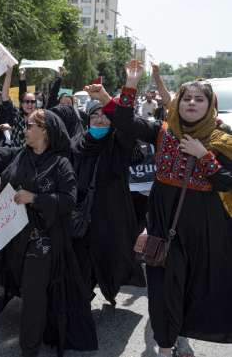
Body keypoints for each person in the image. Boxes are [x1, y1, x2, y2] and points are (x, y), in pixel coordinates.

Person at [91, 59, 232, 357]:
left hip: (205, 230)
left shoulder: (222, 139)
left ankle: (181, 334)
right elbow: (126, 122)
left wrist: (204, 155)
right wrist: (130, 83)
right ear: (178, 103)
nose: (192, 103)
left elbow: (227, 182)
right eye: (187, 98)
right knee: (162, 288)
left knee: (194, 289)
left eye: (199, 99)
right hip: (164, 224)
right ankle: (165, 345)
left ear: (210, 105)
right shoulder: (164, 132)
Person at [0, 109, 98, 357]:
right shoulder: (19, 155)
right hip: (13, 237)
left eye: (29, 126)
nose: (24, 129)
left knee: (34, 295)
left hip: (42, 241)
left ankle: (29, 347)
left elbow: (69, 200)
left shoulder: (61, 164)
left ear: (45, 132)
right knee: (24, 286)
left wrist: (35, 198)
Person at [69, 99, 146, 306]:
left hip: (111, 212)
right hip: (83, 211)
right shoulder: (77, 142)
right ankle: (82, 298)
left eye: (105, 116)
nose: (100, 120)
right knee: (82, 256)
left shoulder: (118, 143)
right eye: (94, 115)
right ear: (87, 119)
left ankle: (109, 288)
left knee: (110, 255)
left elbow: (136, 155)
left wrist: (120, 124)